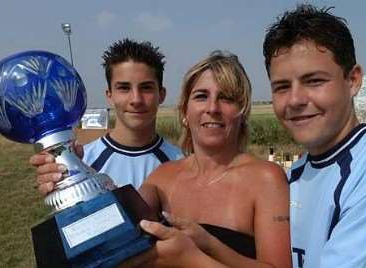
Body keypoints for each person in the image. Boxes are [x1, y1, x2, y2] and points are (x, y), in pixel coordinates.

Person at [35, 51, 292, 267]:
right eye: (201, 96)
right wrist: (75, 175)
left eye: (226, 98)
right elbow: (118, 234)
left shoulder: (266, 177)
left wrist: (203, 249)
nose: (212, 108)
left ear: (242, 111)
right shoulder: (163, 177)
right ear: (185, 110)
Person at [262, 4, 366, 267]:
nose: (295, 99)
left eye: (314, 81)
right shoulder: (293, 175)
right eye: (282, 87)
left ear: (353, 80)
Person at [31, 38, 182, 191]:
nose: (136, 99)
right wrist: (60, 185)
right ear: (109, 95)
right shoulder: (81, 163)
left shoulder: (181, 163)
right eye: (124, 88)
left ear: (161, 95)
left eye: (146, 88)